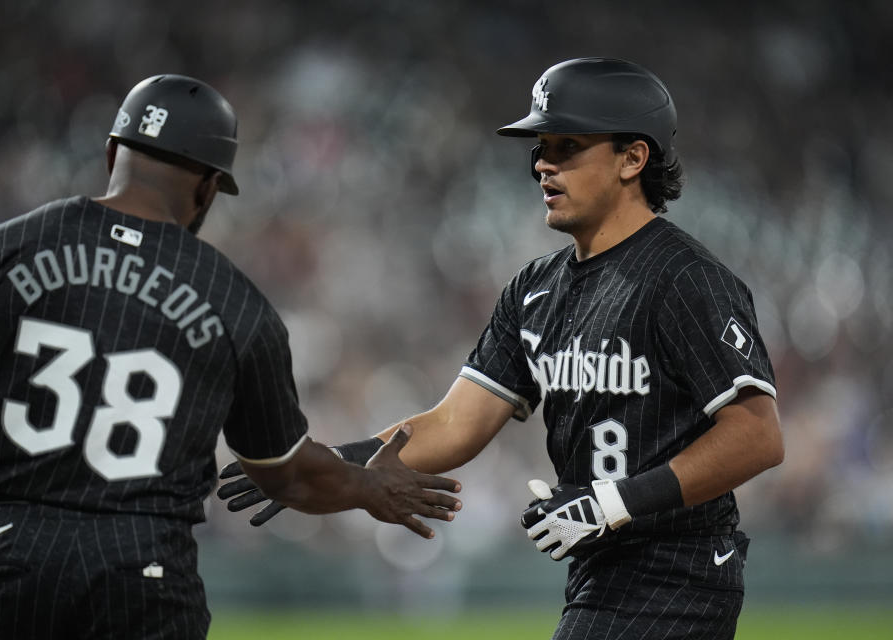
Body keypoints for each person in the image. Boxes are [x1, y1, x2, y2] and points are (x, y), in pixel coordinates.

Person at [218, 58, 784, 639]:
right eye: (541, 146)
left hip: (680, 571)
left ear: (633, 158)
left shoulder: (685, 279)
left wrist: (615, 503)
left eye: (568, 145)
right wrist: (337, 461)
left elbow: (758, 436)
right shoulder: (535, 288)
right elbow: (456, 424)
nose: (543, 162)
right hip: (599, 571)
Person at [0, 73, 461, 639]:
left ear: (112, 152)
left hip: (11, 557)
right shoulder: (235, 301)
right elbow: (288, 476)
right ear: (209, 187)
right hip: (146, 575)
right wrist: (368, 486)